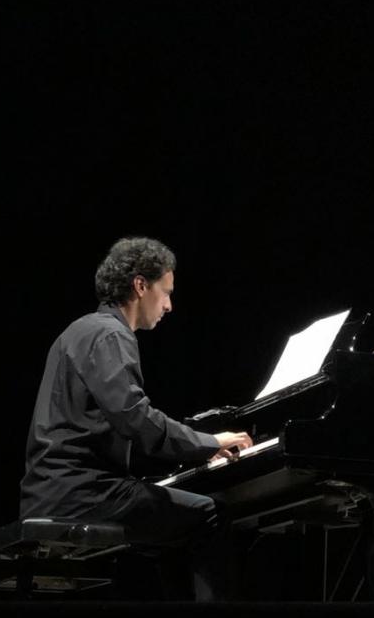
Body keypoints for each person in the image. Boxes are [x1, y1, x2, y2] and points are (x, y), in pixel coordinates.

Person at [20, 236, 252, 599]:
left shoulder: (78, 331)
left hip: (51, 492)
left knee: (171, 532)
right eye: (166, 292)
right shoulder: (111, 335)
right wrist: (208, 443)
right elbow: (136, 419)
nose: (169, 305)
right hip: (84, 495)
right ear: (141, 286)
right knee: (211, 515)